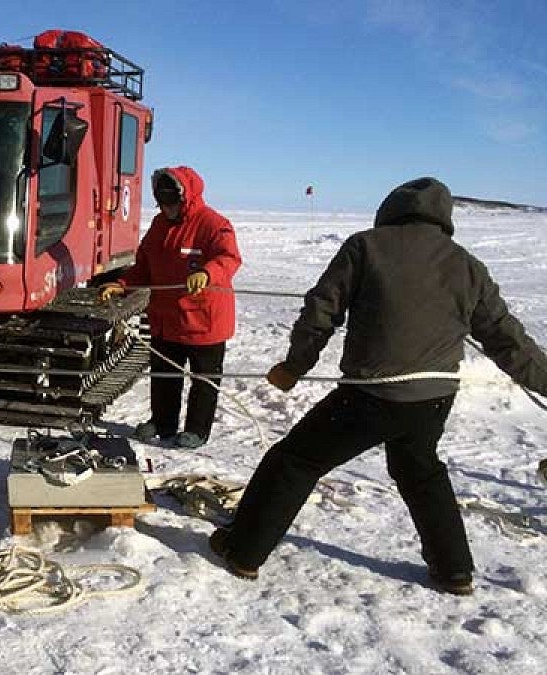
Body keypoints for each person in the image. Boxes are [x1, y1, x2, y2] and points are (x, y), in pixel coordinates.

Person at [210, 177, 547, 595]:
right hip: (433, 399)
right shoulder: (467, 265)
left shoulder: (365, 246)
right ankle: (453, 569)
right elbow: (506, 338)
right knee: (418, 468)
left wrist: (295, 366)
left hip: (372, 395)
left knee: (295, 460)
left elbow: (321, 311)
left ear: (391, 209)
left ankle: (242, 550)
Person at [101, 166, 242, 448]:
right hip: (166, 319)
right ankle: (163, 423)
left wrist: (207, 273)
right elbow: (144, 266)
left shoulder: (213, 224)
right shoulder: (158, 226)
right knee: (164, 375)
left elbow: (229, 257)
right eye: (162, 204)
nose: (167, 209)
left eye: (172, 204)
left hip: (204, 322)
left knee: (204, 382)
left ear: (185, 198)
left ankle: (197, 431)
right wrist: (122, 283)